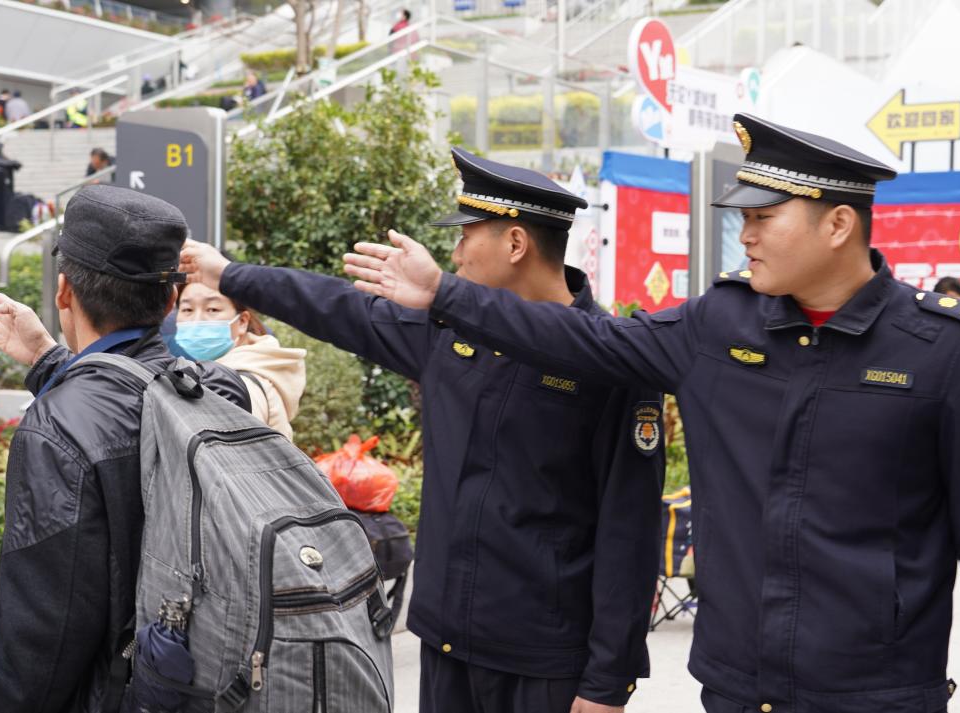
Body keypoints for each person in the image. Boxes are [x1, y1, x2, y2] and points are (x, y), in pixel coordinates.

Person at [344, 114, 960, 713]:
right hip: (736, 686)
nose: (744, 235)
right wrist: (445, 294)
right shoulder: (720, 325)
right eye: (741, 218)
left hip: (877, 690)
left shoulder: (941, 350)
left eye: (762, 218)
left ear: (838, 223)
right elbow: (582, 336)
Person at [180, 147, 664, 713]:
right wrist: (228, 275)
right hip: (445, 641)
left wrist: (607, 683)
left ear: (515, 244)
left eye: (467, 235)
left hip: (545, 661)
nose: (454, 253)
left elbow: (630, 532)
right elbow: (334, 306)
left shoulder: (607, 360)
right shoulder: (448, 332)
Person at [0, 185, 250, 712]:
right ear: (172, 299)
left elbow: (42, 639)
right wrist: (47, 360)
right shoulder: (220, 390)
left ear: (64, 292)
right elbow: (138, 394)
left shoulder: (58, 428)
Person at [174, 281, 306, 439]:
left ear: (242, 322)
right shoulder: (253, 365)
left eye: (212, 309)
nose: (196, 321)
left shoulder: (237, 385)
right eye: (187, 309)